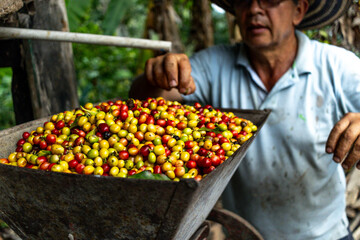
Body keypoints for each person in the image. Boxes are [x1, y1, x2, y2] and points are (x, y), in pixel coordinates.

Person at [129, 0, 360, 239]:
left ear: (298, 10)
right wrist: (156, 77)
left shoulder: (337, 66)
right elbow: (148, 99)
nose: (254, 10)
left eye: (269, 0)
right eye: (244, 1)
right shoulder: (214, 65)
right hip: (245, 235)